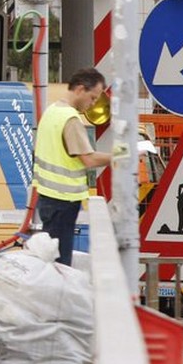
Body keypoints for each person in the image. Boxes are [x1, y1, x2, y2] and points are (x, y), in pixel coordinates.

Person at [33, 68, 120, 267]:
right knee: (60, 263)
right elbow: (88, 159)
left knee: (50, 261)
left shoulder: (51, 112)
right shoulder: (70, 119)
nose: (93, 104)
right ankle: (57, 298)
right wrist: (121, 156)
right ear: (80, 89)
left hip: (47, 197)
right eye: (92, 97)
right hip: (63, 200)